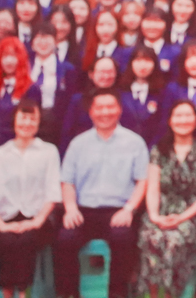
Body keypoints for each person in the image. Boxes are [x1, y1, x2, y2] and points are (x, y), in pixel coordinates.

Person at [56, 88, 150, 298]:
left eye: (110, 107)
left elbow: (142, 181)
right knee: (65, 239)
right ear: (91, 111)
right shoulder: (78, 144)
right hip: (84, 210)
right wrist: (70, 209)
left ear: (119, 110)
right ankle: (69, 294)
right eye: (99, 107)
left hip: (119, 211)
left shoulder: (135, 143)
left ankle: (117, 294)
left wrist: (129, 209)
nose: (105, 112)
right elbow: (67, 181)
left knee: (122, 238)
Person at [0, 98, 61, 298]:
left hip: (39, 220)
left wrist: (36, 221)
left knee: (25, 240)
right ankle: (7, 293)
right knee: (7, 240)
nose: (27, 123)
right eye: (23, 118)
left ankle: (22, 294)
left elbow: (53, 193)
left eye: (33, 119)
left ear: (39, 123)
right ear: (14, 121)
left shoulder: (49, 152)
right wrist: (0, 225)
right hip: (3, 219)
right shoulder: (0, 154)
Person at [136, 100, 196, 298]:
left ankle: (171, 294)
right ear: (170, 120)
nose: (183, 120)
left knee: (173, 240)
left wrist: (180, 218)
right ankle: (153, 293)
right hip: (160, 211)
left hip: (190, 215)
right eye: (178, 115)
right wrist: (155, 217)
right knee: (152, 237)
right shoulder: (159, 151)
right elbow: (153, 189)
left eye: (188, 115)